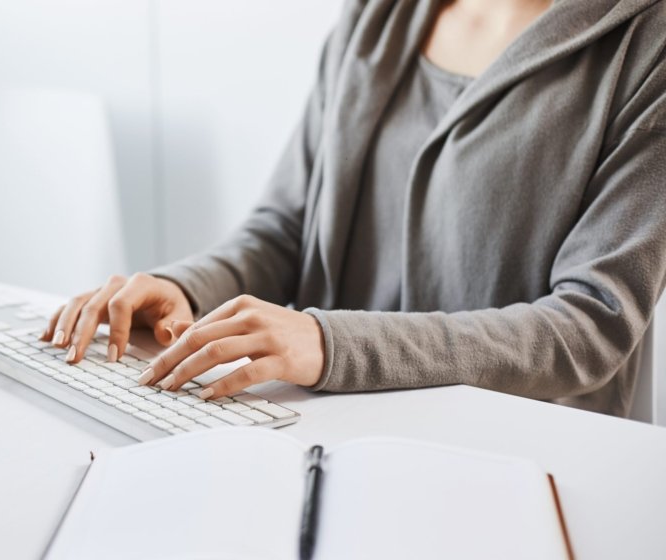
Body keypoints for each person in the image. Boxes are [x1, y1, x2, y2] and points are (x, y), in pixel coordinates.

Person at [42, 0, 666, 417]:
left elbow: (594, 323)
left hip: (520, 462)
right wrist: (186, 288)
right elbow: (288, 227)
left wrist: (330, 342)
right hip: (332, 429)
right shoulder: (377, 14)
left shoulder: (647, 43)